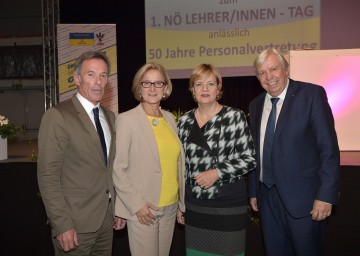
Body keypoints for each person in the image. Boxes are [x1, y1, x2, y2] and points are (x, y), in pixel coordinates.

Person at [248, 48, 340, 256]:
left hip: (304, 200)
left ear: (286, 70)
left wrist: (325, 195)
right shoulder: (255, 105)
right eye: (262, 72)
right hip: (267, 198)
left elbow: (328, 149)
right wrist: (254, 190)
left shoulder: (311, 95)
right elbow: (256, 151)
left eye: (273, 69)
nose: (268, 76)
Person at [37, 50, 126, 256]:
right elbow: (48, 176)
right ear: (77, 78)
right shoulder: (58, 116)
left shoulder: (110, 117)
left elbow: (110, 169)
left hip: (106, 221)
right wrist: (62, 224)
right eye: (91, 74)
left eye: (103, 75)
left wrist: (118, 209)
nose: (98, 82)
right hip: (74, 225)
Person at [177, 64, 256, 255]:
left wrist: (217, 173)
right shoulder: (184, 121)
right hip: (195, 203)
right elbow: (180, 167)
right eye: (199, 84)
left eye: (210, 83)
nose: (205, 89)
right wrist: (180, 203)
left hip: (226, 203)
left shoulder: (234, 116)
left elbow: (250, 158)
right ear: (192, 90)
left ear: (218, 89)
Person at [112, 62, 185, 256]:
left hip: (170, 207)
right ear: (139, 87)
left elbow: (176, 165)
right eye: (147, 83)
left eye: (158, 83)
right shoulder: (126, 120)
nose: (153, 88)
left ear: (166, 87)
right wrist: (136, 205)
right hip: (144, 209)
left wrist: (180, 204)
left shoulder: (170, 119)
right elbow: (118, 168)